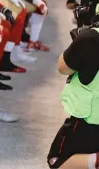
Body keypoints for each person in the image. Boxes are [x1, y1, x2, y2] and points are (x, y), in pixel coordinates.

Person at [47, 25, 99, 169]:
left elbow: (63, 67)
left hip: (90, 121)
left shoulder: (91, 38)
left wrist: (78, 43)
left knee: (56, 160)